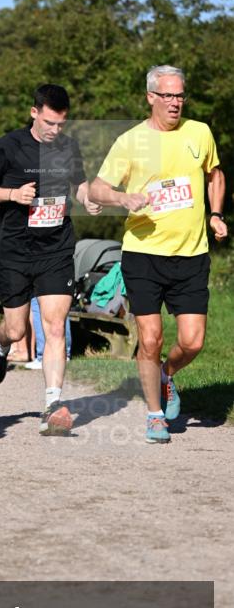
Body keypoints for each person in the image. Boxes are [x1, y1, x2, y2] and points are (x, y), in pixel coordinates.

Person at [89, 65, 227, 444]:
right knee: (150, 338)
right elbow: (97, 189)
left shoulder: (199, 132)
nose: (175, 102)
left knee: (193, 341)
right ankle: (154, 415)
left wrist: (216, 214)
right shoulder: (130, 141)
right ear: (151, 97)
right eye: (167, 95)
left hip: (191, 254)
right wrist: (122, 198)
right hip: (143, 254)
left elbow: (215, 174)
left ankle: (167, 374)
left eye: (180, 95)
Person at [0, 83, 101, 436]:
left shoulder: (68, 147)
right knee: (16, 329)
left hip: (56, 249)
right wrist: (12, 194)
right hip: (14, 250)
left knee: (55, 326)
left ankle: (53, 405)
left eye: (61, 124)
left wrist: (88, 199)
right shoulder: (9, 146)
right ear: (34, 113)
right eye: (49, 123)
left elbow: (80, 183)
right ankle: (1, 347)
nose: (55, 130)